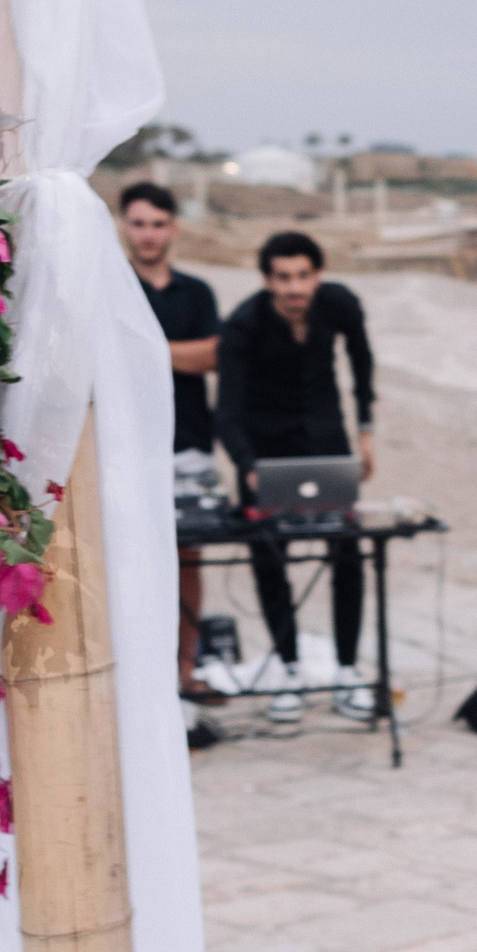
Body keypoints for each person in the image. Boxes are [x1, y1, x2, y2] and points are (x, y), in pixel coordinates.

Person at [215, 229, 377, 723]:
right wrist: (247, 470)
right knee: (268, 557)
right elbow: (226, 411)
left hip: (328, 444)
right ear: (267, 280)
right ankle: (287, 671)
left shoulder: (339, 303)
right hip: (269, 454)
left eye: (303, 276)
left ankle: (348, 671)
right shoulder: (243, 324)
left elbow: (361, 361)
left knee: (348, 553)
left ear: (317, 275)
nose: (294, 288)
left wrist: (366, 431)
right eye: (283, 278)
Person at [118, 181, 223, 712]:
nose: (148, 234)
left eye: (158, 223)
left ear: (173, 229)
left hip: (189, 443)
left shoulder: (197, 293)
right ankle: (141, 676)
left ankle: (187, 668)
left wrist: (141, 348)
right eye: (138, 223)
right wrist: (173, 353)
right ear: (123, 226)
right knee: (127, 559)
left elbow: (211, 357)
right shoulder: (111, 287)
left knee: (188, 558)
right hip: (124, 444)